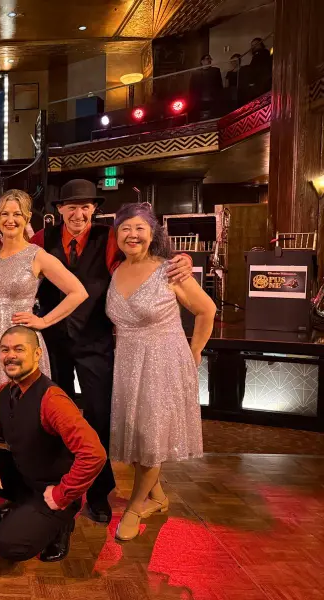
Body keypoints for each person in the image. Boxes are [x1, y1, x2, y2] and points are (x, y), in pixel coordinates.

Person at [28, 179, 193, 525]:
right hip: (53, 343)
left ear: (94, 210)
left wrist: (182, 259)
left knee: (100, 419)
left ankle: (99, 492)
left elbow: (147, 254)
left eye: (85, 207)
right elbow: (16, 256)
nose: (78, 213)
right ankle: (61, 485)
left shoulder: (110, 238)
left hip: (95, 344)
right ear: (59, 210)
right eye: (71, 207)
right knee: (56, 417)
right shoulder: (42, 239)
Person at [107, 203, 215, 541]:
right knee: (137, 434)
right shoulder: (116, 270)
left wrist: (194, 351)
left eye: (139, 228)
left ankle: (134, 507)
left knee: (151, 437)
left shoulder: (169, 270)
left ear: (153, 233)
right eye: (125, 228)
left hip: (163, 361)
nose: (132, 235)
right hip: (128, 361)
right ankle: (157, 497)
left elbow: (206, 310)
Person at [0, 326, 106, 562]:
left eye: (19, 349)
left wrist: (62, 494)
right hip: (24, 477)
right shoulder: (3, 392)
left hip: (52, 489)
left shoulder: (53, 400)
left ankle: (62, 524)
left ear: (37, 354)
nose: (10, 355)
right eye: (5, 350)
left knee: (9, 545)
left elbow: (94, 454)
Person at [0, 190, 88, 407]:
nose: (10, 220)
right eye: (5, 214)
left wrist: (44, 321)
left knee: (23, 405)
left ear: (27, 218)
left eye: (17, 214)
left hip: (19, 338)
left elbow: (78, 292)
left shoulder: (36, 255)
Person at [189, 54, 223, 119]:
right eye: (207, 59)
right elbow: (192, 85)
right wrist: (192, 97)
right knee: (201, 115)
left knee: (213, 115)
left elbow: (219, 84)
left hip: (213, 97)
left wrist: (220, 95)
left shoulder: (215, 71)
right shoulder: (195, 73)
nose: (209, 60)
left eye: (210, 59)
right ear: (202, 61)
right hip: (200, 98)